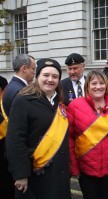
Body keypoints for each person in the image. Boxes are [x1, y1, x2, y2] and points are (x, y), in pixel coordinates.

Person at [6, 58, 72, 199]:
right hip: (35, 173)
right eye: (45, 75)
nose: (50, 80)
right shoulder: (23, 100)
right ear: (37, 77)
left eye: (55, 76)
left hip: (59, 172)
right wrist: (21, 175)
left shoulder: (60, 102)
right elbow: (15, 141)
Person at [67, 70, 108, 199]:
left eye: (101, 83)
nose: (98, 87)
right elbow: (69, 139)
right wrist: (74, 167)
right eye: (94, 83)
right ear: (87, 86)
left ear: (106, 85)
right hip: (86, 169)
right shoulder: (75, 105)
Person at [0, 54, 35, 199]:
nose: (34, 72)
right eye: (33, 69)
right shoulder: (20, 90)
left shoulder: (10, 86)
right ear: (24, 68)